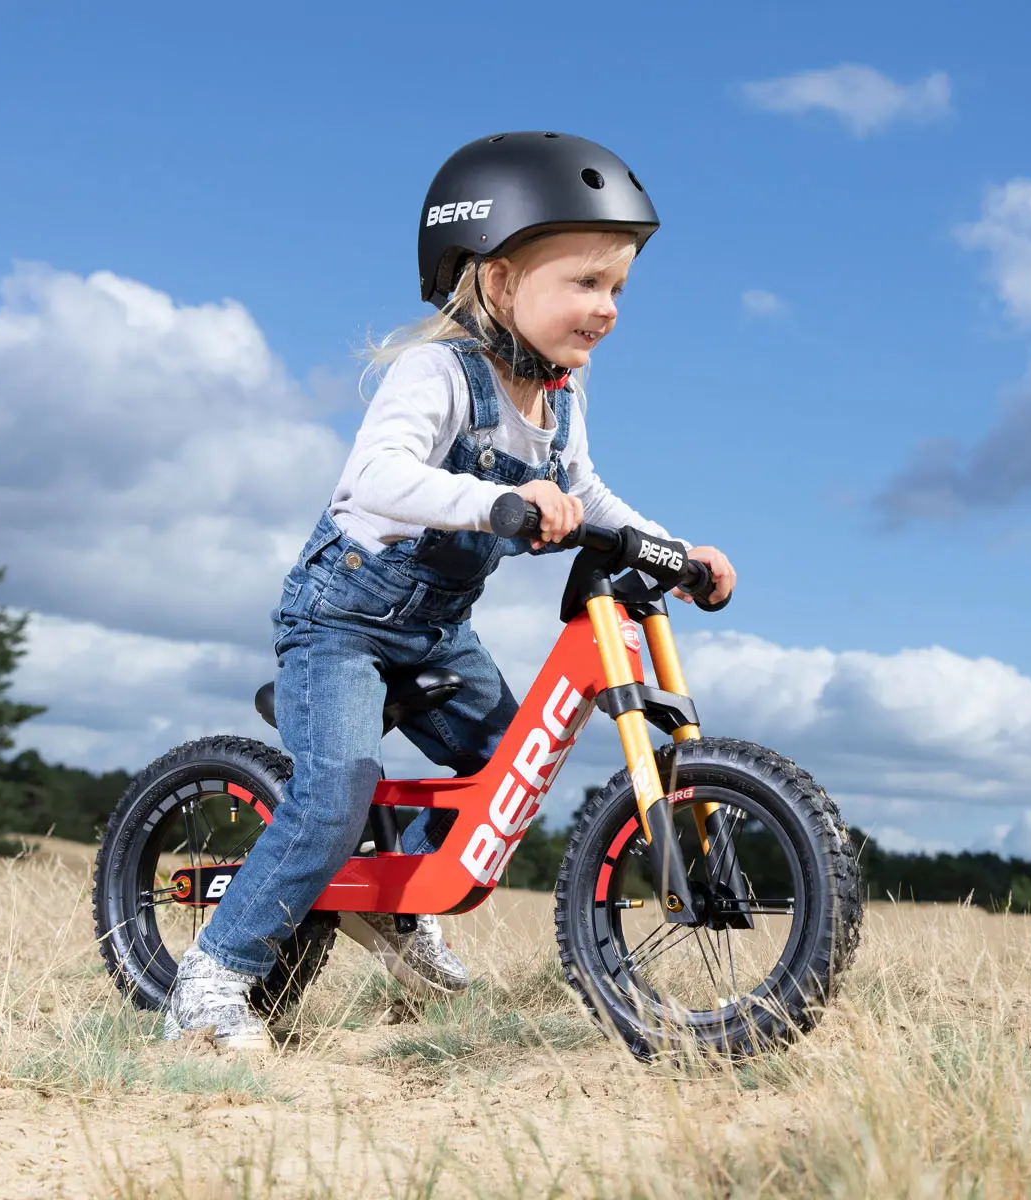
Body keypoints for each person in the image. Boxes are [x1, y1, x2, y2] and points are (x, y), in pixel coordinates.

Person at [164, 131, 738, 1050]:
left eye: (619, 288)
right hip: (342, 620)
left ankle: (396, 905)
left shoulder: (561, 398)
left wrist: (676, 550)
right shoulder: (436, 372)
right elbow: (377, 477)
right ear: (499, 280)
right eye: (585, 282)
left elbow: (586, 494)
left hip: (436, 632)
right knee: (333, 796)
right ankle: (213, 977)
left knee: (511, 766)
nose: (606, 307)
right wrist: (496, 502)